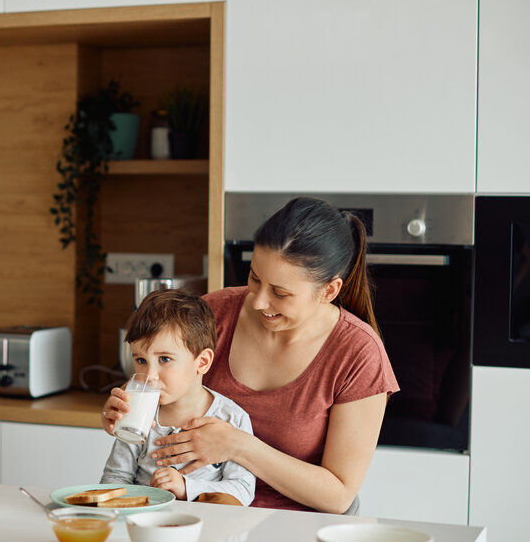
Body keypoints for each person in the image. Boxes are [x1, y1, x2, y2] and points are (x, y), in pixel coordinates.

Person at [101, 197, 399, 513]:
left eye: (280, 293)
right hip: (196, 518)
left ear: (329, 291)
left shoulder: (358, 354)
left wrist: (238, 446)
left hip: (293, 528)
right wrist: (126, 412)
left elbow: (338, 496)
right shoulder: (213, 313)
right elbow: (161, 380)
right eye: (255, 277)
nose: (257, 302)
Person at [101, 289, 255, 506]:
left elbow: (243, 489)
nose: (150, 375)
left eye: (164, 359)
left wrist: (186, 487)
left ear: (201, 362)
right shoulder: (138, 412)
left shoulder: (231, 418)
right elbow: (114, 478)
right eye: (141, 360)